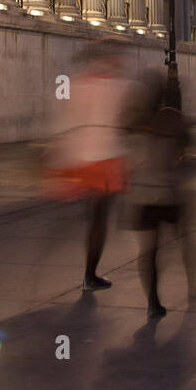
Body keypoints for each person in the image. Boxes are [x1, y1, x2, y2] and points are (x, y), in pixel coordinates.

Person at [42, 38, 145, 289]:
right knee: (100, 218)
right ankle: (90, 274)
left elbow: (64, 121)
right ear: (111, 59)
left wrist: (58, 158)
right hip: (106, 159)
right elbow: (135, 116)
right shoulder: (122, 87)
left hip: (79, 158)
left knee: (92, 215)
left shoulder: (77, 85)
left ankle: (75, 259)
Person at [122, 67, 196, 319]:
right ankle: (191, 285)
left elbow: (126, 155)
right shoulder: (174, 119)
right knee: (184, 240)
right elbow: (187, 150)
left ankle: (153, 301)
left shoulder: (135, 123)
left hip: (143, 195)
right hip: (168, 191)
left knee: (150, 251)